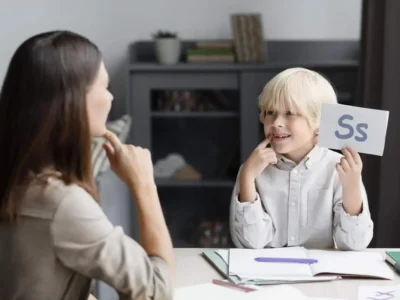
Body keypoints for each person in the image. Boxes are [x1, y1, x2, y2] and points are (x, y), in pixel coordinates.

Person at [0, 31, 174, 300]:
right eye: (104, 86)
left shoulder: (18, 181)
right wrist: (144, 185)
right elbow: (157, 292)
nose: (111, 98)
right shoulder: (61, 202)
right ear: (73, 101)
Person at [229, 67, 374, 251]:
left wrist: (351, 187)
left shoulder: (340, 170)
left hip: (325, 275)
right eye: (270, 112)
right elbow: (251, 243)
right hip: (267, 273)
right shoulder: (251, 170)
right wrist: (247, 178)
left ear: (320, 124)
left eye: (290, 113)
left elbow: (354, 244)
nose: (276, 123)